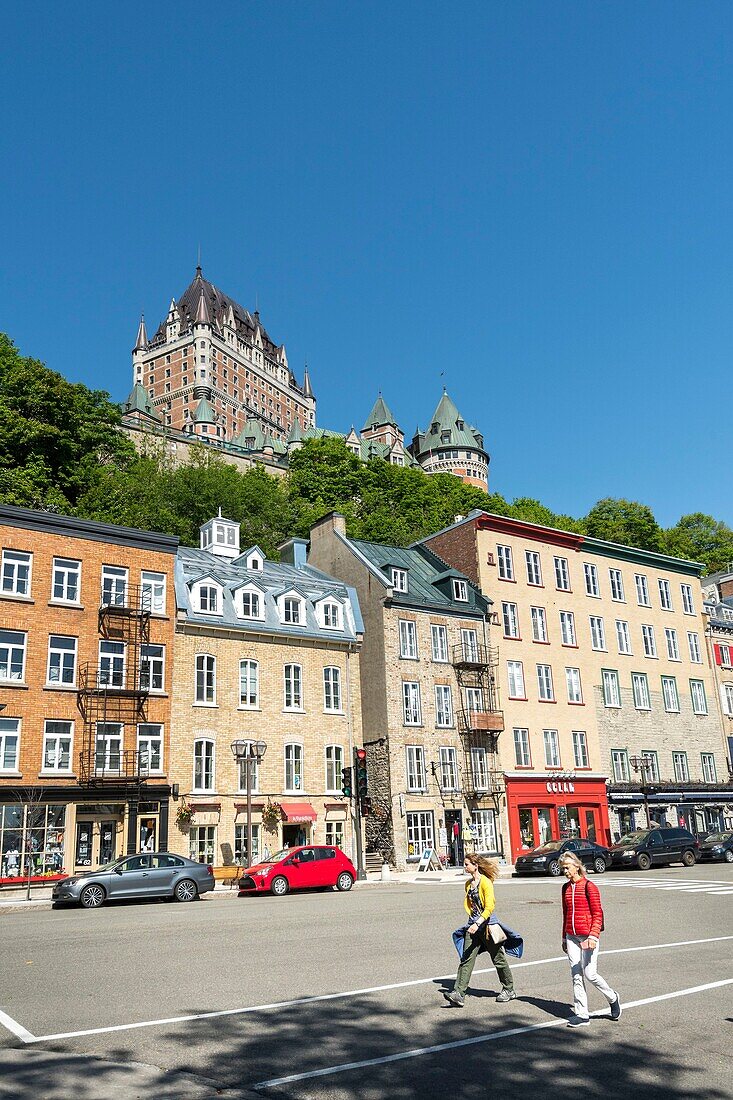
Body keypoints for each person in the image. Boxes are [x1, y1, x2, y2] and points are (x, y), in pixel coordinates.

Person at [444, 852, 516, 1008]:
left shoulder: (486, 883)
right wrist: (473, 922)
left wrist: (478, 923)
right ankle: (459, 993)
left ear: (475, 866)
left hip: (487, 926)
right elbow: (471, 906)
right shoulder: (468, 884)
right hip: (473, 926)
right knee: (466, 958)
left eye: (467, 864)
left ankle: (509, 989)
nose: (465, 867)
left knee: (498, 959)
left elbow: (490, 907)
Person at [559, 852, 621, 1027]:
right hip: (571, 936)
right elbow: (565, 914)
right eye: (563, 867)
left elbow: (597, 913)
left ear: (576, 866)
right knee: (576, 974)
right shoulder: (565, 888)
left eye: (567, 867)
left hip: (588, 935)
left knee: (590, 974)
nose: (565, 871)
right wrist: (564, 937)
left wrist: (594, 935)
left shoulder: (589, 886)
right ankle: (582, 1014)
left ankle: (612, 997)